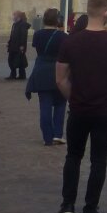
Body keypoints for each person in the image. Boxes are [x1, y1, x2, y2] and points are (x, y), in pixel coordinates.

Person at [54, 0, 107, 213]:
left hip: (78, 110)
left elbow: (60, 79)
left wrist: (74, 98)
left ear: (87, 10)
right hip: (104, 111)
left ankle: (67, 205)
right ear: (106, 12)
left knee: (73, 156)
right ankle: (90, 209)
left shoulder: (70, 42)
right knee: (99, 160)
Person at [27, 8, 68, 145]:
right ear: (58, 20)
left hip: (41, 71)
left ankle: (47, 137)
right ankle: (58, 134)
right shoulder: (63, 36)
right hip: (58, 70)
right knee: (60, 104)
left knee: (45, 106)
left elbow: (38, 49)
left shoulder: (37, 34)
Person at [6, 10, 30, 80]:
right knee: (11, 60)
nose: (13, 17)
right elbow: (12, 35)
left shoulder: (23, 25)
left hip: (19, 46)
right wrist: (9, 42)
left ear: (18, 16)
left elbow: (23, 35)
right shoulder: (14, 24)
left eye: (14, 15)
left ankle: (22, 75)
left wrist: (22, 45)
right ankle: (13, 74)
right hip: (13, 46)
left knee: (20, 61)